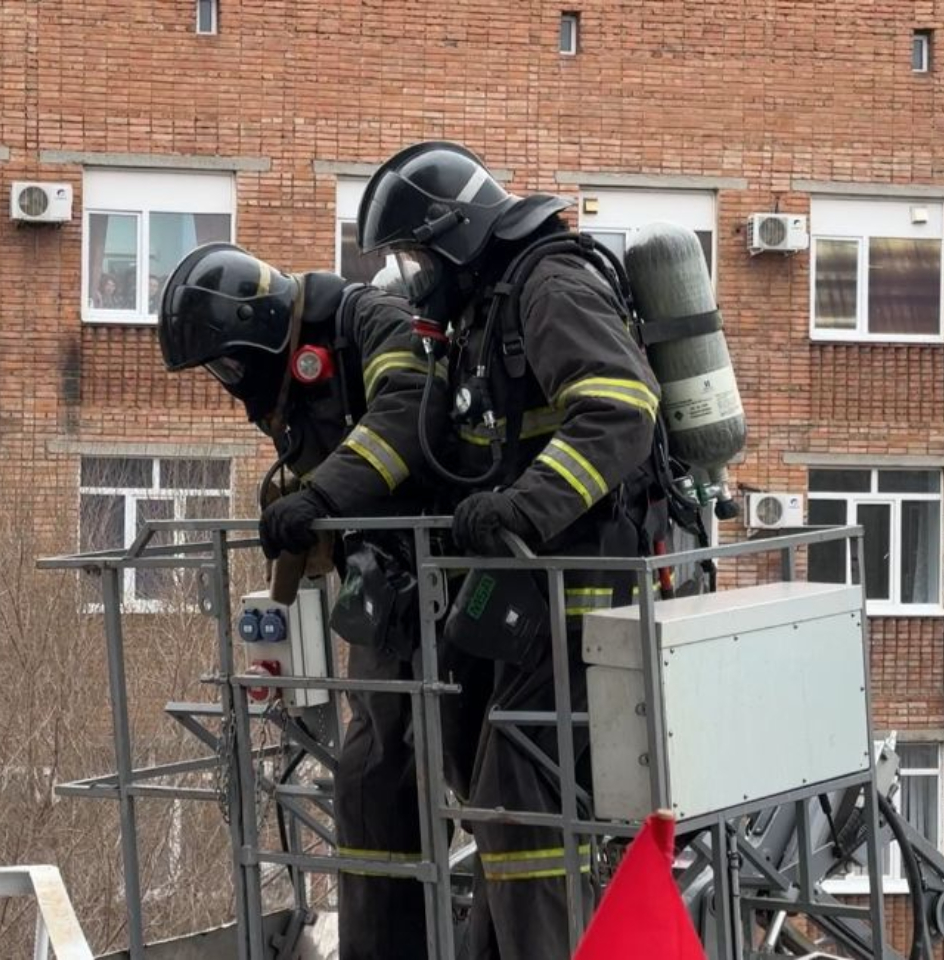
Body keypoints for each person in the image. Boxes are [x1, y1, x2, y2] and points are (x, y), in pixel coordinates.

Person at [358, 141, 663, 960]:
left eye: (421, 252)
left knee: (518, 788)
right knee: (473, 757)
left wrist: (522, 509)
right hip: (529, 585)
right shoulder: (491, 306)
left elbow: (620, 410)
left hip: (583, 585)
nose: (417, 273)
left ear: (458, 236)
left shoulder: (549, 284)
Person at [157, 242, 464, 959]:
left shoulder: (375, 322)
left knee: (484, 779)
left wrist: (323, 495)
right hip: (393, 601)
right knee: (368, 779)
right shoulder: (292, 388)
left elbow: (408, 417)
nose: (232, 383)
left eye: (230, 364)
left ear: (265, 329)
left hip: (469, 591)